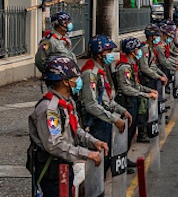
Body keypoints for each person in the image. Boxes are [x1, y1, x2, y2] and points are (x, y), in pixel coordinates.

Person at [28, 56, 108, 197]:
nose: (79, 80)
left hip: (65, 165)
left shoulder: (66, 102)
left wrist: (94, 142)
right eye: (75, 77)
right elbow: (54, 144)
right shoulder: (49, 109)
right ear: (65, 81)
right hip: (52, 171)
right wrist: (86, 153)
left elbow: (75, 129)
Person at [79, 35, 131, 174]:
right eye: (107, 52)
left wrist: (122, 111)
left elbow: (106, 100)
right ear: (98, 53)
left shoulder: (101, 70)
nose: (110, 55)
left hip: (104, 120)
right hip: (95, 123)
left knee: (106, 159)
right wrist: (115, 119)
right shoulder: (90, 73)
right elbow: (91, 105)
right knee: (98, 164)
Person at [114, 38, 159, 173]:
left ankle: (125, 159)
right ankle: (120, 162)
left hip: (132, 100)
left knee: (131, 131)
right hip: (126, 101)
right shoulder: (124, 67)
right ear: (133, 52)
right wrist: (145, 95)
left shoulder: (131, 64)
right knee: (125, 134)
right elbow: (126, 88)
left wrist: (148, 90)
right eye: (138, 49)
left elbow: (136, 85)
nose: (140, 51)